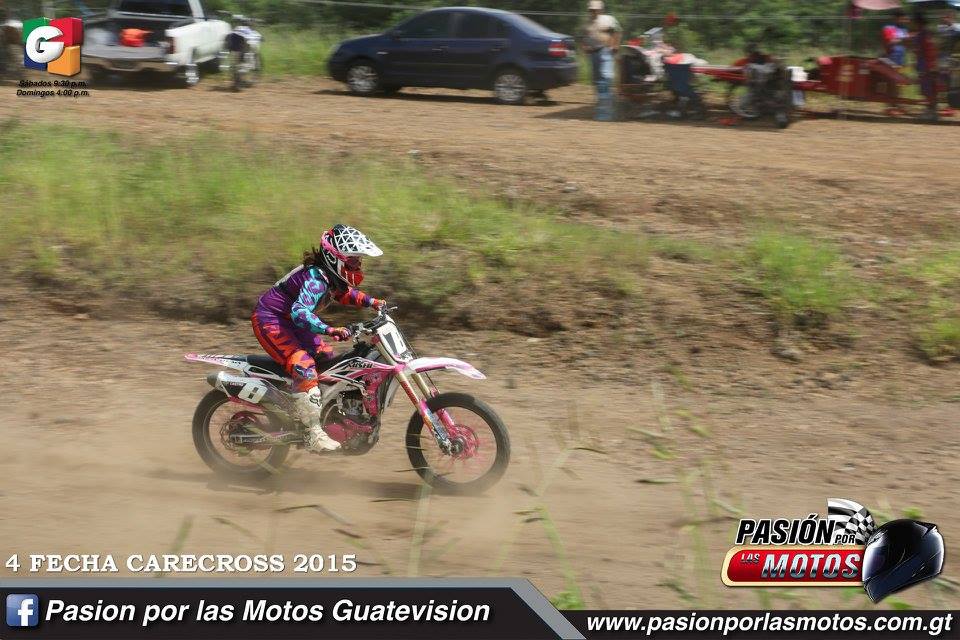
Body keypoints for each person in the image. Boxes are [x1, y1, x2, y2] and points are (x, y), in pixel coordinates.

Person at [251, 224, 386, 452]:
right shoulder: (316, 280)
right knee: (304, 366)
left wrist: (373, 303)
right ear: (335, 258)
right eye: (353, 261)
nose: (358, 265)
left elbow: (345, 294)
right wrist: (328, 329)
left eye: (358, 261)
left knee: (328, 360)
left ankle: (319, 412)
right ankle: (312, 432)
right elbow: (300, 312)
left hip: (292, 323)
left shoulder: (330, 277)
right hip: (271, 320)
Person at [581, 0, 621, 121]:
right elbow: (584, 37)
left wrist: (615, 45)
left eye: (595, 9)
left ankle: (605, 114)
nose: (593, 11)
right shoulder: (587, 23)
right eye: (591, 10)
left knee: (605, 78)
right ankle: (607, 108)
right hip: (593, 54)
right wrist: (584, 46)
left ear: (601, 9)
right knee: (598, 82)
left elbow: (617, 31)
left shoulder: (608, 19)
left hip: (605, 51)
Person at [881, 9, 911, 116]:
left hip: (901, 59)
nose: (903, 21)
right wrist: (903, 39)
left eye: (904, 19)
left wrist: (904, 40)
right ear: (895, 18)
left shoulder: (904, 29)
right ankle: (890, 106)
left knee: (899, 83)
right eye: (902, 18)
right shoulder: (889, 28)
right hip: (891, 59)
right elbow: (890, 42)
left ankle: (897, 105)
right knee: (891, 83)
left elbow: (907, 43)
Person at [913, 11, 939, 120]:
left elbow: (922, 51)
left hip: (925, 64)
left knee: (927, 88)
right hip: (930, 64)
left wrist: (923, 66)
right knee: (930, 88)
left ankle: (932, 113)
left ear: (918, 23)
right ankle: (931, 110)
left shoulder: (921, 35)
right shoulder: (927, 34)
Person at [938, 8, 960, 113]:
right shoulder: (941, 28)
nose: (944, 19)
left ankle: (953, 104)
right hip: (944, 58)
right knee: (946, 81)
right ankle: (949, 104)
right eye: (943, 17)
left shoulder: (957, 28)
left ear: (952, 18)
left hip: (954, 59)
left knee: (954, 82)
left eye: (947, 17)